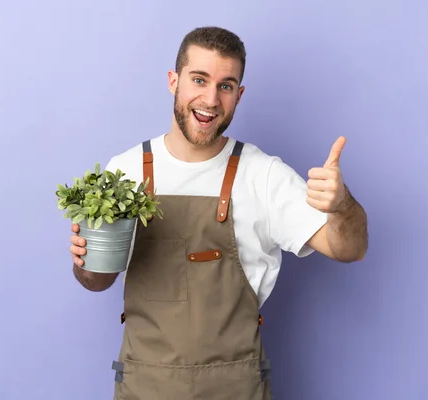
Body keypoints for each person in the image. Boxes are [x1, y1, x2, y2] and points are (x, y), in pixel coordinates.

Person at [68, 26, 368, 399]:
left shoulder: (263, 174)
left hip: (235, 388)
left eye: (225, 86)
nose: (211, 99)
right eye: (199, 79)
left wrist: (342, 207)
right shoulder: (125, 171)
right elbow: (97, 280)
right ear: (173, 81)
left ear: (239, 95)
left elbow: (349, 249)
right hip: (145, 387)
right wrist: (85, 259)